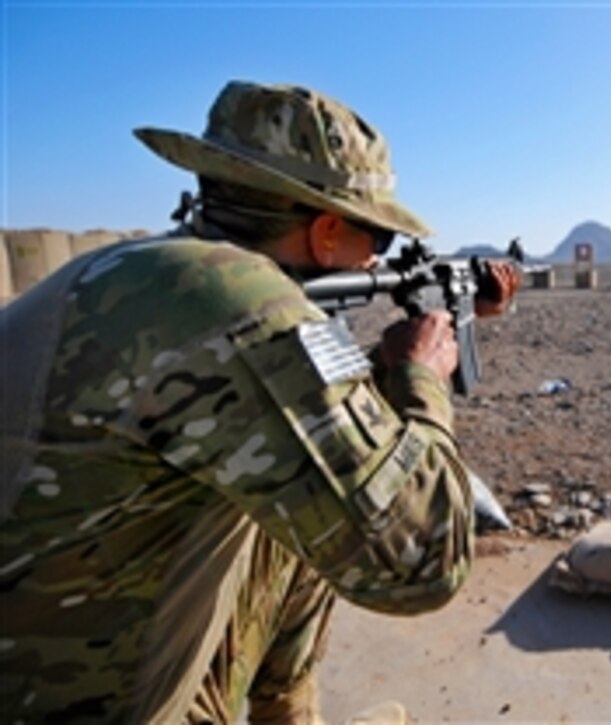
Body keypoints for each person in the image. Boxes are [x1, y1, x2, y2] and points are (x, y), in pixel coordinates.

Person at [0, 80, 519, 723]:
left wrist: (427, 341)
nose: (379, 260)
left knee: (301, 493)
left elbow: (317, 427)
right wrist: (423, 377)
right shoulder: (238, 300)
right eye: (377, 241)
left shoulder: (151, 274)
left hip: (54, 639)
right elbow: (421, 561)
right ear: (327, 232)